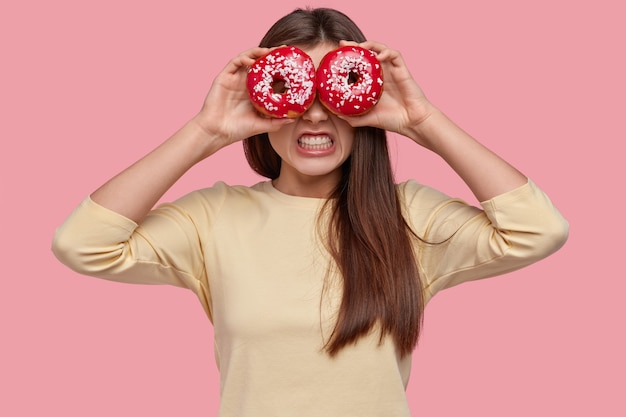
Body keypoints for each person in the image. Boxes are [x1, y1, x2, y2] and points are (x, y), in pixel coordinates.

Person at [51, 7, 569, 417]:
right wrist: (205, 132)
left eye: (335, 89)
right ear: (262, 101)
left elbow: (538, 231)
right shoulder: (214, 218)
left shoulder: (408, 216)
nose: (317, 112)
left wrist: (421, 120)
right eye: (293, 90)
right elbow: (82, 244)